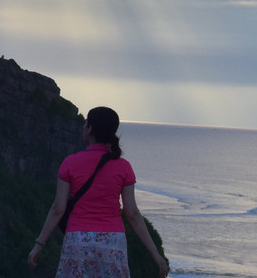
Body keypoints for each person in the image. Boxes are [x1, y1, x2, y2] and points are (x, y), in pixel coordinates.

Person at [28, 106, 169, 278]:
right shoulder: (123, 167)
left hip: (78, 241)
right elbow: (132, 213)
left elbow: (58, 209)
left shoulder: (70, 163)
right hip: (112, 244)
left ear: (90, 129)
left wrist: (39, 244)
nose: (83, 127)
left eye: (86, 123)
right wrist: (155, 254)